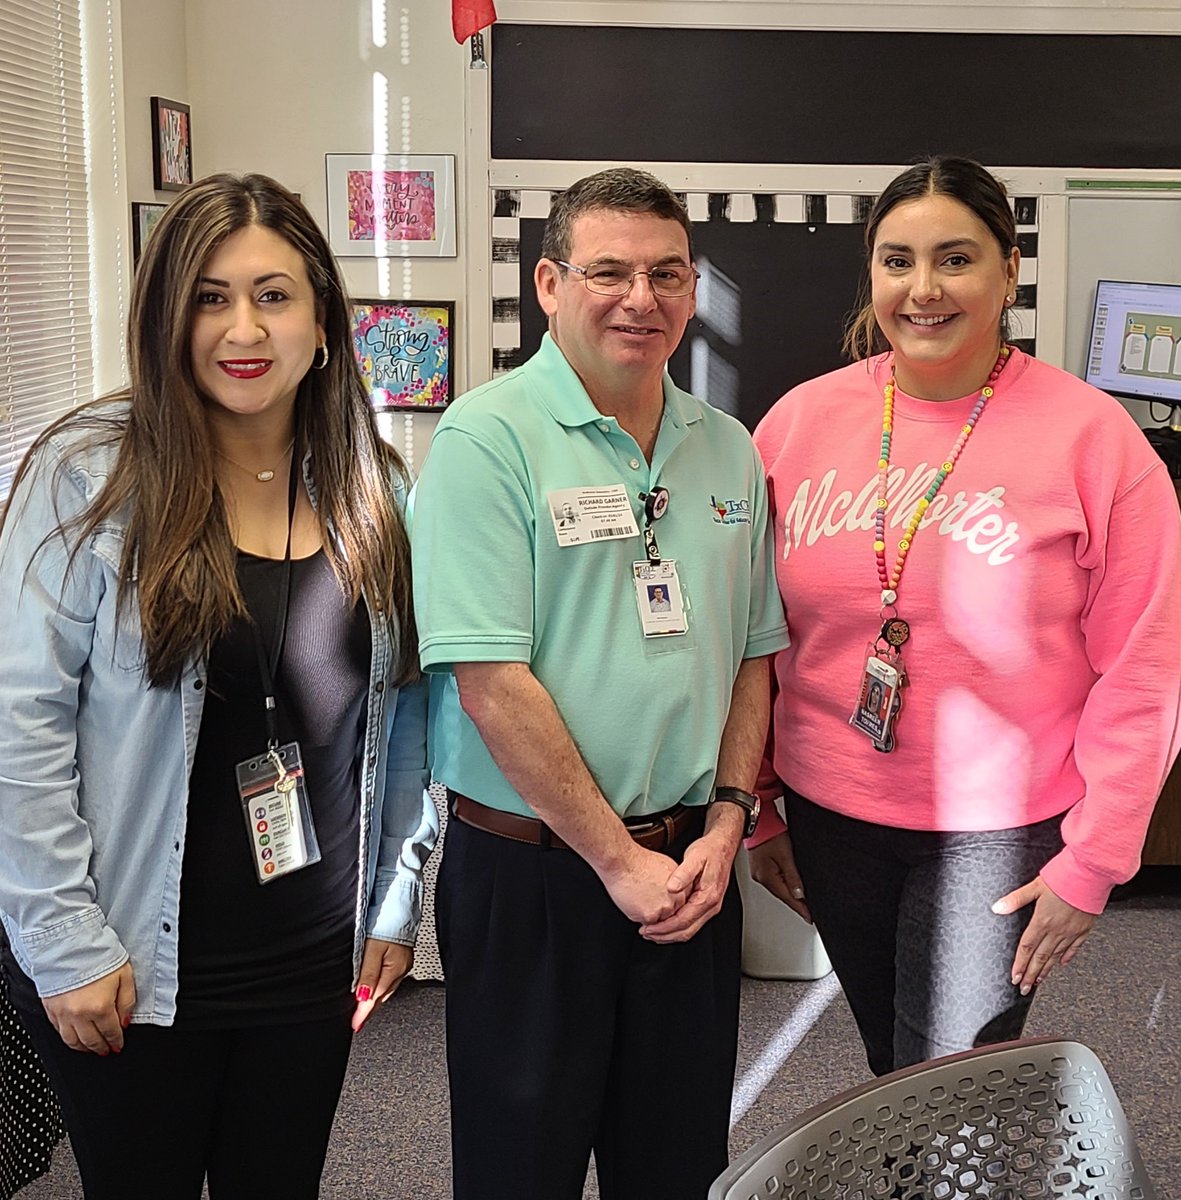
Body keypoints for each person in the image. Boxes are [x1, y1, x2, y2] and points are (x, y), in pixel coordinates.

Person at [0, 173, 437, 1199]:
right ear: (165, 317)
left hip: (309, 958)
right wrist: (64, 944)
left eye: (274, 294)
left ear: (322, 318)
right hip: (133, 961)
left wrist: (394, 900)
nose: (243, 327)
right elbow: (20, 727)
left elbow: (409, 711)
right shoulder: (87, 476)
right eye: (208, 296)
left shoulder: (375, 484)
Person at [747, 156, 1181, 1077]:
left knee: (949, 1083)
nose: (923, 289)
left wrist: (1097, 856)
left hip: (1001, 830)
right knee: (893, 1068)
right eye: (897, 260)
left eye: (955, 258)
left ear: (1008, 270)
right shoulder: (796, 425)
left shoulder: (1091, 437)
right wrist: (757, 805)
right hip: (834, 814)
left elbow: (1147, 666)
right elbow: (750, 637)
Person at [411, 167, 788, 1198]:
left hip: (690, 872)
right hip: (538, 880)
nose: (642, 297)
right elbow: (490, 681)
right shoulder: (487, 440)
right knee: (518, 1170)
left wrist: (726, 819)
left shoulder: (729, 451)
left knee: (675, 1171)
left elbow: (753, 654)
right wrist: (617, 859)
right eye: (609, 271)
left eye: (667, 273)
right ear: (548, 282)